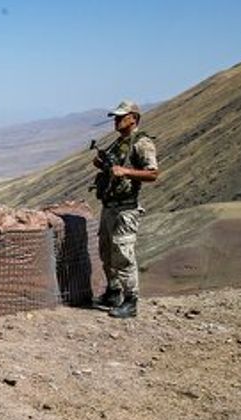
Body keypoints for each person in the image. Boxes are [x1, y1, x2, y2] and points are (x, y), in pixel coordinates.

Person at [93, 99, 159, 319]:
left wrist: (126, 172)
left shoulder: (142, 143)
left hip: (125, 209)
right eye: (116, 117)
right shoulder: (119, 142)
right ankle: (113, 291)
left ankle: (131, 301)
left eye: (122, 117)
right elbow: (112, 169)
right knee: (106, 252)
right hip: (109, 206)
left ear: (133, 118)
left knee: (123, 254)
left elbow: (153, 173)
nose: (117, 120)